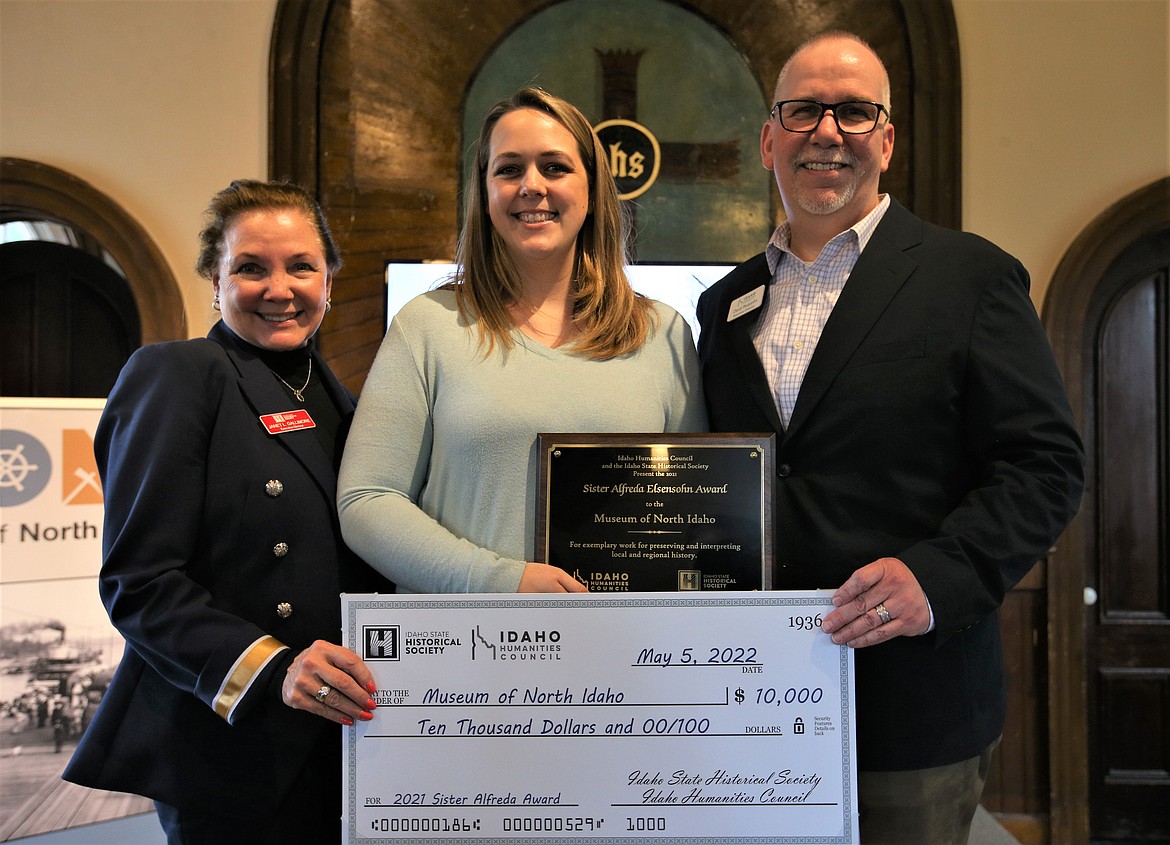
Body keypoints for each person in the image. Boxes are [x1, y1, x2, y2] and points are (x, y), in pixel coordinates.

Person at [696, 32, 1084, 844]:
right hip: (749, 701)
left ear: (887, 139)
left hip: (913, 704)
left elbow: (1045, 465)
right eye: (802, 110)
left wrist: (938, 575)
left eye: (853, 111)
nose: (826, 132)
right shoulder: (725, 306)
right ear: (770, 138)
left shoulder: (970, 276)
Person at [63, 180, 396, 844]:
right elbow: (141, 582)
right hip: (235, 749)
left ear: (329, 280)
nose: (280, 287)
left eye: (301, 265)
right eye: (251, 267)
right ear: (215, 282)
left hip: (349, 746)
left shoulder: (353, 407)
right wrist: (274, 667)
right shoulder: (178, 374)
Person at [338, 87, 706, 593]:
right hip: (465, 655)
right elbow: (367, 501)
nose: (531, 186)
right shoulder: (426, 325)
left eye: (554, 167)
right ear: (485, 192)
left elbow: (692, 515)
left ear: (594, 189)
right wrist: (499, 582)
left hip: (622, 654)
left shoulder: (663, 333)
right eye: (509, 169)